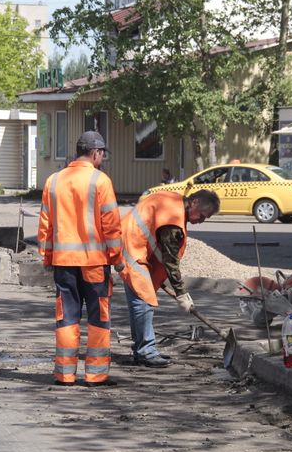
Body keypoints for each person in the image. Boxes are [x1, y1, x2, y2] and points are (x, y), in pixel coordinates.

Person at [37, 131, 125, 387]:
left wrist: (46, 256)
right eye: (102, 154)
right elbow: (111, 226)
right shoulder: (100, 181)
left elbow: (45, 225)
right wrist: (117, 258)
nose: (102, 159)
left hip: (64, 263)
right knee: (98, 318)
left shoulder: (53, 181)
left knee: (66, 318)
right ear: (96, 153)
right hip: (95, 264)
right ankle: (95, 375)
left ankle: (65, 375)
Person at [119, 189, 221, 367]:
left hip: (133, 245)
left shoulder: (173, 202)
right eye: (202, 216)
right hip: (132, 249)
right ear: (195, 202)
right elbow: (170, 260)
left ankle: (141, 350)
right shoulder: (173, 219)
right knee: (144, 302)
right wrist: (181, 293)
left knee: (141, 303)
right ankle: (146, 352)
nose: (200, 221)